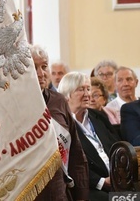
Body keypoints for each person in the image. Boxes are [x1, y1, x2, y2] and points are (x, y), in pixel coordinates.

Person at [30, 45, 89, 201]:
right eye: (33, 67)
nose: (40, 73)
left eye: (44, 67)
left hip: (58, 188)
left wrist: (81, 196)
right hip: (28, 189)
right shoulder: (13, 104)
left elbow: (75, 151)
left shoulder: (59, 101)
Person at [58, 72, 120, 200]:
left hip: (117, 179)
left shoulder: (98, 116)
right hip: (89, 187)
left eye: (88, 89)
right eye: (81, 90)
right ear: (67, 95)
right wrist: (101, 182)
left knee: (134, 196)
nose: (87, 94)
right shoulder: (61, 125)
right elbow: (68, 165)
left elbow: (116, 144)